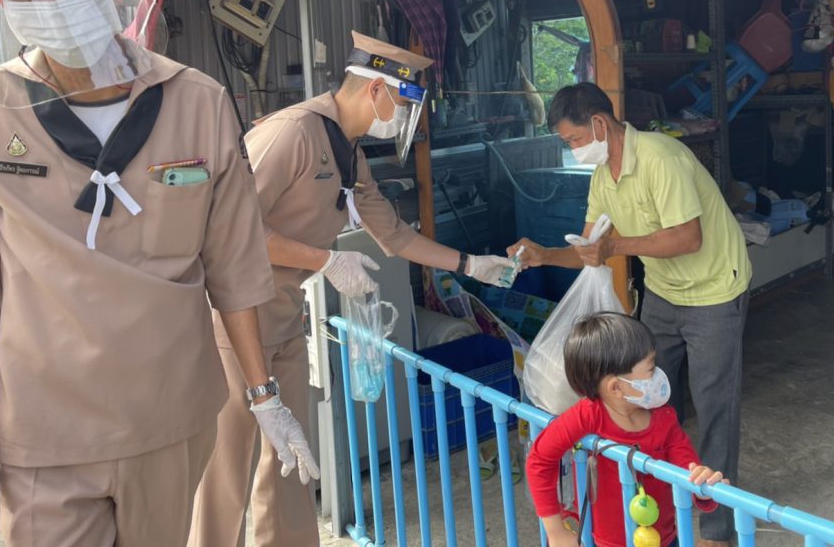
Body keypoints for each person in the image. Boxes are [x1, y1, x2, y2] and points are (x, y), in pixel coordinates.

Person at [0, 0, 314, 547]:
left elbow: (235, 269)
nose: (56, 1)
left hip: (171, 424)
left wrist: (264, 396)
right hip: (44, 441)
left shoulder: (197, 101)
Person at [188, 30, 515, 547]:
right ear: (376, 89)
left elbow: (394, 235)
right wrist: (327, 260)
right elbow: (230, 228)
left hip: (284, 321)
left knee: (293, 466)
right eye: (405, 105)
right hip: (234, 323)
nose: (406, 119)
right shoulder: (293, 133)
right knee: (227, 472)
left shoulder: (350, 153)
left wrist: (471, 263)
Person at [511, 83, 751, 547]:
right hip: (663, 290)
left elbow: (688, 238)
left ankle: (717, 529)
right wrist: (544, 255)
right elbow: (590, 249)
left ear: (599, 123)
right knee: (647, 398)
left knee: (714, 405)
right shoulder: (604, 177)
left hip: (714, 290)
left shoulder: (662, 158)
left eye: (574, 140)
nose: (574, 150)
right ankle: (659, 503)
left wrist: (615, 245)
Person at [526, 312, 724, 547]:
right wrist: (556, 531)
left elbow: (687, 467)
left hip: (662, 539)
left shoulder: (663, 416)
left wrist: (700, 486)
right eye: (651, 368)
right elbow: (539, 459)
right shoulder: (587, 415)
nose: (658, 375)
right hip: (600, 541)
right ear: (616, 388)